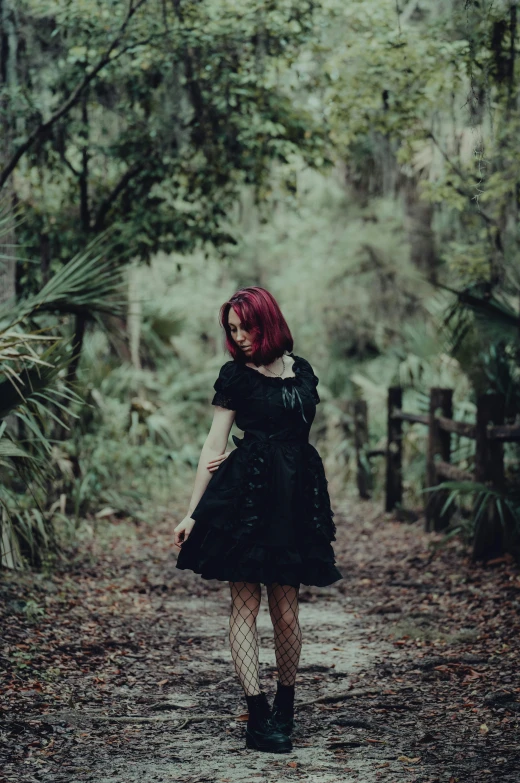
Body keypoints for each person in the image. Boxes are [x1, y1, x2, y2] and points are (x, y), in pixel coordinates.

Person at [174, 286, 342, 754]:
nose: (240, 336)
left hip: (293, 498)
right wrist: (191, 512)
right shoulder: (235, 376)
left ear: (266, 321)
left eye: (245, 325)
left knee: (287, 611)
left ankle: (286, 708)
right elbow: (213, 445)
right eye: (231, 329)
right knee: (244, 607)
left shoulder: (302, 370)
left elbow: (299, 430)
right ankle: (257, 712)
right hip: (245, 499)